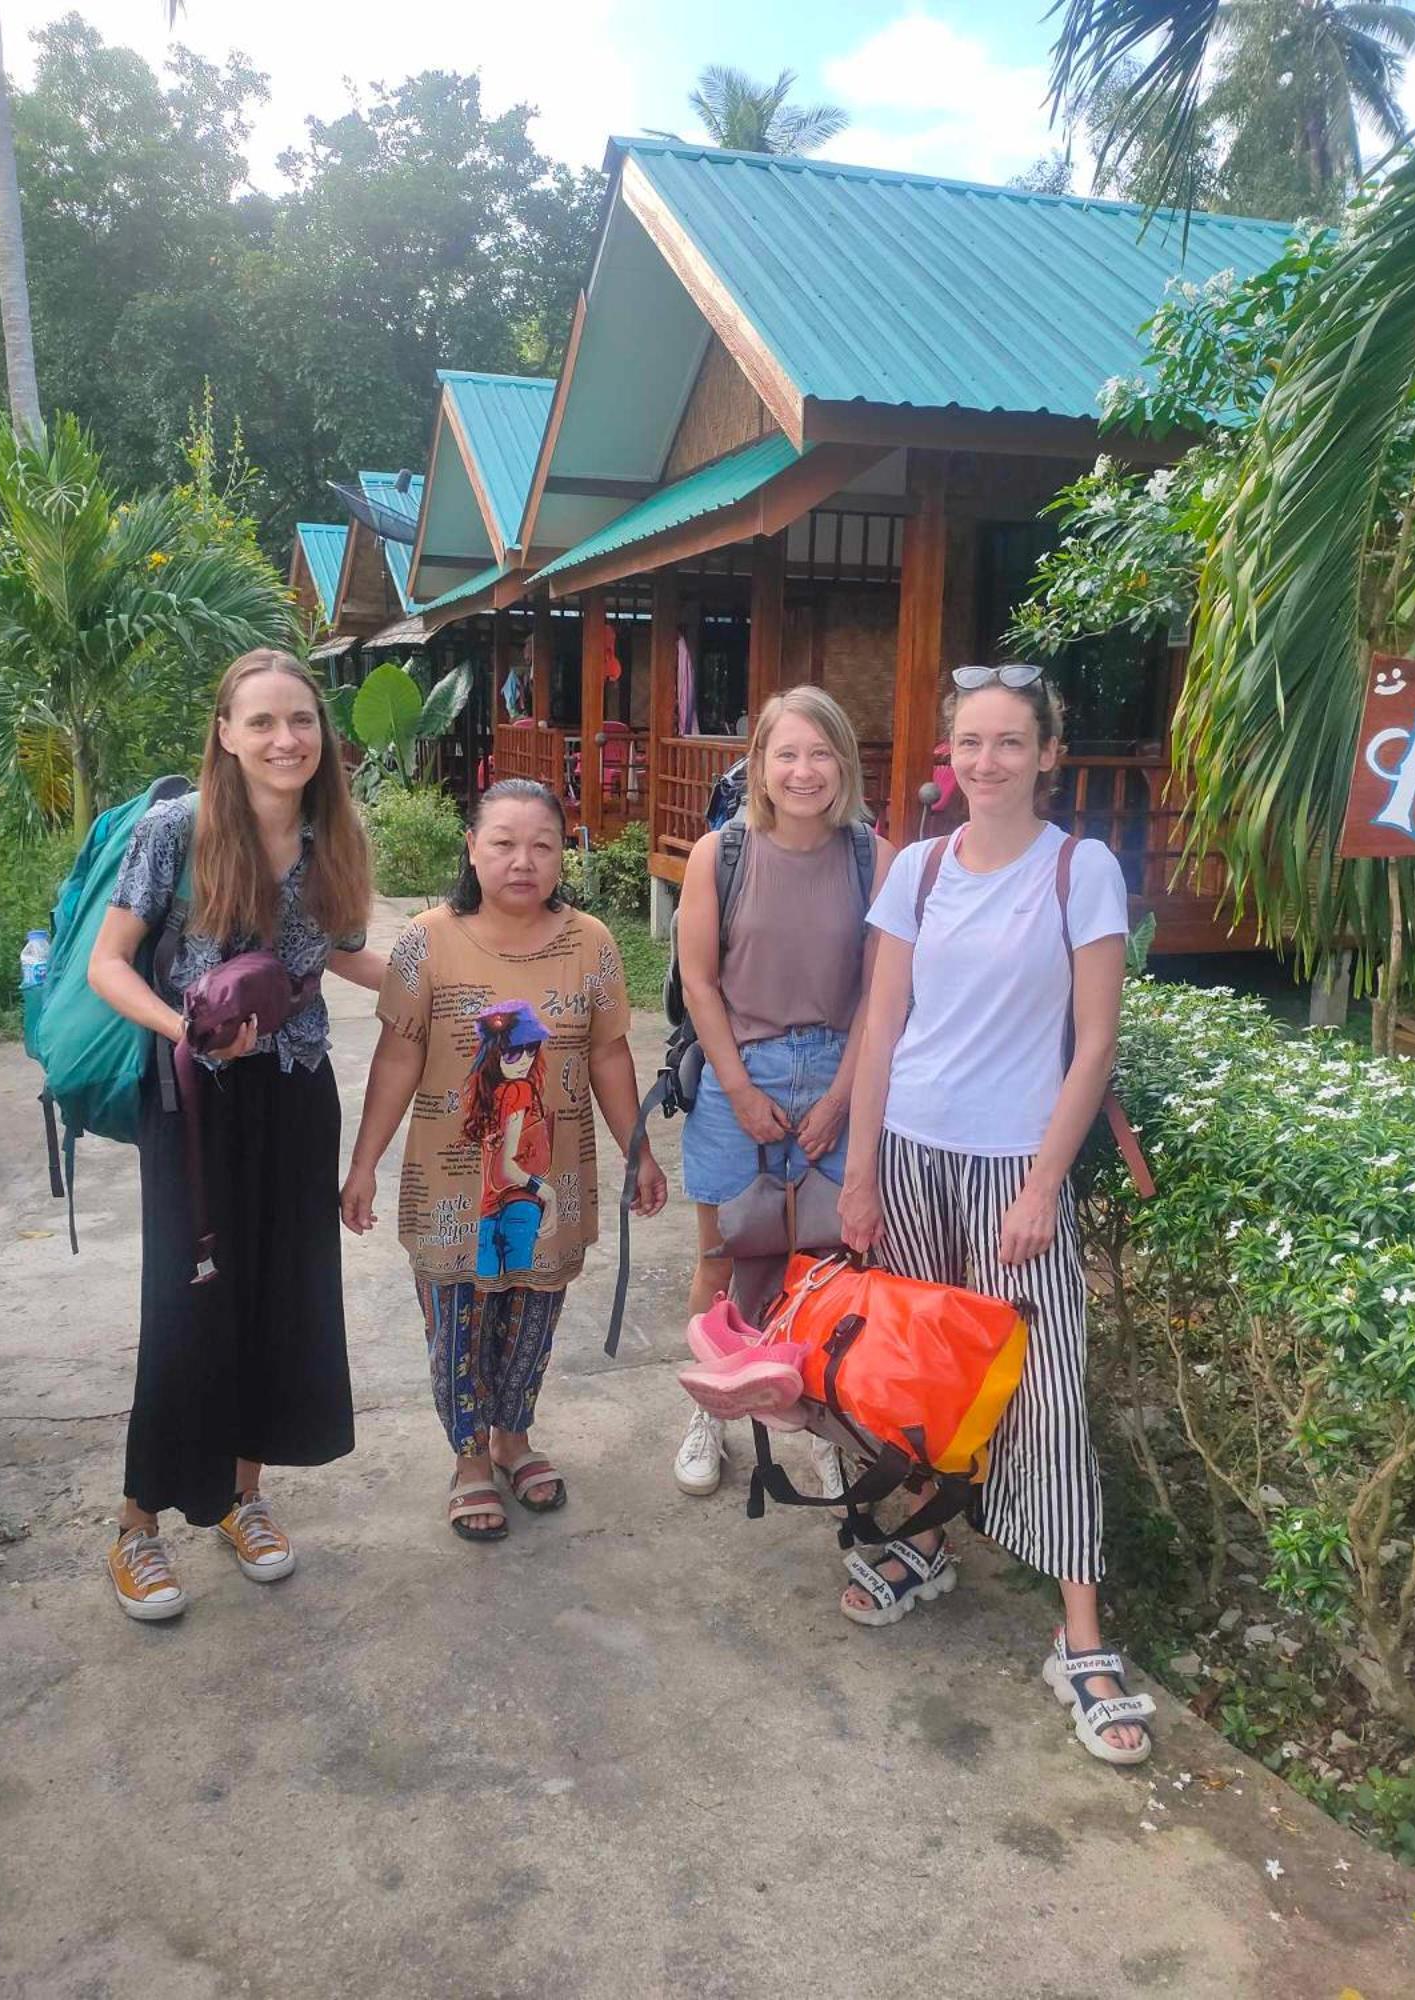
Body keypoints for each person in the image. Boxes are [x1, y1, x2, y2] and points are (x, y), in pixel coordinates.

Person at [838, 664, 1154, 1766]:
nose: (986, 762)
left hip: (1015, 1164)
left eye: (1010, 742)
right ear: (948, 754)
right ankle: (927, 1540)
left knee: (1048, 1385)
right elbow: (881, 1030)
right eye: (969, 742)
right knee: (928, 1378)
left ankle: (1081, 1637)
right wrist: (860, 1170)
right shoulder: (917, 870)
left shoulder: (1083, 868)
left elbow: (1097, 1039)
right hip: (912, 1153)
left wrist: (1041, 1185)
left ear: (1048, 753)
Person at [88, 648, 384, 1622]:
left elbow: (334, 950)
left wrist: (448, 976)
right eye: (261, 721)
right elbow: (109, 963)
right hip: (194, 1100)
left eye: (299, 720)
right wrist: (186, 1028)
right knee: (188, 1309)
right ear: (224, 732)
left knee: (278, 1299)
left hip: (297, 1094)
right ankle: (139, 1523)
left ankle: (241, 1497)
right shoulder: (176, 830)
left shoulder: (328, 829)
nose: (284, 738)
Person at [340, 777, 666, 1542]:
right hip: (449, 1184)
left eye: (542, 845)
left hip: (550, 1174)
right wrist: (362, 1165)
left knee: (530, 1315)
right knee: (457, 1320)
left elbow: (611, 1057)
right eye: (504, 843)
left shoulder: (591, 942)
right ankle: (469, 1459)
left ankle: (514, 1438)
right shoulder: (428, 939)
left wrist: (639, 1153)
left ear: (563, 855)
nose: (523, 861)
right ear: (472, 849)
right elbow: (396, 1061)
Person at [673, 686, 893, 1498]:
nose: (804, 771)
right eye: (786, 754)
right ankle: (712, 1412)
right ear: (759, 765)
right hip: (744, 1066)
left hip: (844, 1065)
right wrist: (735, 1086)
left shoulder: (876, 856)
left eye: (820, 752)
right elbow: (699, 981)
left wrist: (842, 1095)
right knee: (724, 1256)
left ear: (844, 762)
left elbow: (882, 993)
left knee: (829, 1263)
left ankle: (821, 1421)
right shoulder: (721, 854)